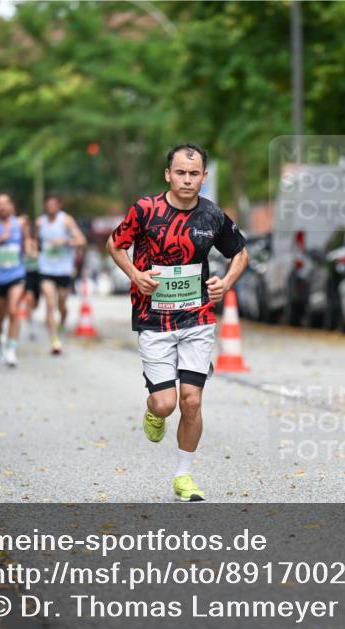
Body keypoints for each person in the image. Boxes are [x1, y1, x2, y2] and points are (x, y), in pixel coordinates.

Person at [107, 143, 249, 501]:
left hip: (197, 316)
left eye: (194, 173)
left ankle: (183, 476)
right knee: (166, 404)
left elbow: (241, 252)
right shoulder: (145, 210)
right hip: (153, 318)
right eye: (181, 173)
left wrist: (226, 282)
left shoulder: (212, 215)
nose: (187, 180)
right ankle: (154, 411)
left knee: (191, 401)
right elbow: (115, 244)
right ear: (168, 175)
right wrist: (136, 274)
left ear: (204, 177)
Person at [0, 192, 33, 367]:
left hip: (16, 274)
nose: (2, 207)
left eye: (5, 203)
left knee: (13, 310)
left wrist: (30, 249)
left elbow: (27, 242)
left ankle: (11, 349)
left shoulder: (20, 224)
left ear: (12, 206)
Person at [37, 194, 87, 355]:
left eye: (54, 204)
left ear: (59, 205)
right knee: (49, 304)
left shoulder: (66, 221)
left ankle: (63, 318)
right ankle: (54, 340)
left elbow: (82, 240)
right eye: (48, 204)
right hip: (46, 269)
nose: (50, 207)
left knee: (61, 303)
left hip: (64, 270)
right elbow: (34, 242)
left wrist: (65, 242)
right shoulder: (40, 222)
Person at [20, 214, 42, 342]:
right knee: (28, 298)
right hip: (26, 273)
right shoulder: (19, 241)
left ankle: (32, 316)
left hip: (38, 273)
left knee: (35, 303)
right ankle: (32, 327)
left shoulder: (37, 240)